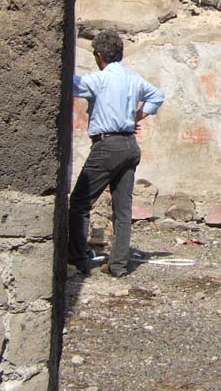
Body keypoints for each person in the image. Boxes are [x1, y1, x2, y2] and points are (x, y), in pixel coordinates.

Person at [69, 30, 164, 277]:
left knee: (80, 203)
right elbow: (157, 95)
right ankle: (118, 265)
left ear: (99, 55)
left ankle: (76, 259)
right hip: (130, 145)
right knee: (123, 210)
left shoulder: (99, 80)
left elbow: (70, 83)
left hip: (107, 146)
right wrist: (139, 115)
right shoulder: (133, 78)